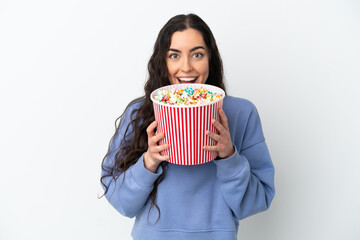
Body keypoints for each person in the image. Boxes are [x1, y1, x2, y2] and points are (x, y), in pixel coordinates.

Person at [100, 13, 275, 240]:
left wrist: (229, 157)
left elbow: (258, 200)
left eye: (197, 54)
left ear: (210, 59)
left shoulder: (242, 114)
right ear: (162, 61)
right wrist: (149, 161)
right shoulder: (139, 113)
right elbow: (120, 202)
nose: (186, 67)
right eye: (174, 55)